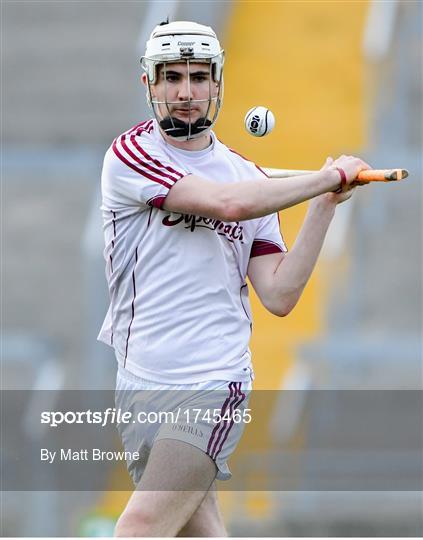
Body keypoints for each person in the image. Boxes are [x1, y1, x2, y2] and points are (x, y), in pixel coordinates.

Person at [98, 20, 370, 537]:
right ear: (148, 84)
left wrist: (324, 204)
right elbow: (229, 203)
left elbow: (280, 293)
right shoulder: (132, 156)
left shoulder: (249, 176)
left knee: (139, 530)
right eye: (171, 76)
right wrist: (327, 176)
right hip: (139, 383)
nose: (186, 92)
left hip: (213, 383)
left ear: (218, 84)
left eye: (199, 77)